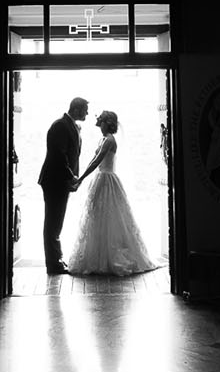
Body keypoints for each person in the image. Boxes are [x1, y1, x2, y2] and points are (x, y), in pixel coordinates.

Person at [66, 110, 158, 276]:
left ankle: (108, 259)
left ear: (107, 124)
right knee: (97, 218)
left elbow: (97, 161)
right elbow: (94, 161)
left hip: (107, 180)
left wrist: (81, 178)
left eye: (101, 122)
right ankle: (98, 257)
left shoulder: (109, 140)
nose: (99, 125)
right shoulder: (103, 139)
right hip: (100, 179)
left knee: (110, 218)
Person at [38, 95, 89, 275]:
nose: (87, 114)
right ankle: (53, 264)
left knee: (56, 222)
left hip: (61, 181)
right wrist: (71, 176)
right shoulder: (60, 125)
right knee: (53, 222)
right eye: (85, 110)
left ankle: (56, 260)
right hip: (54, 181)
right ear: (75, 109)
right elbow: (58, 155)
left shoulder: (70, 126)